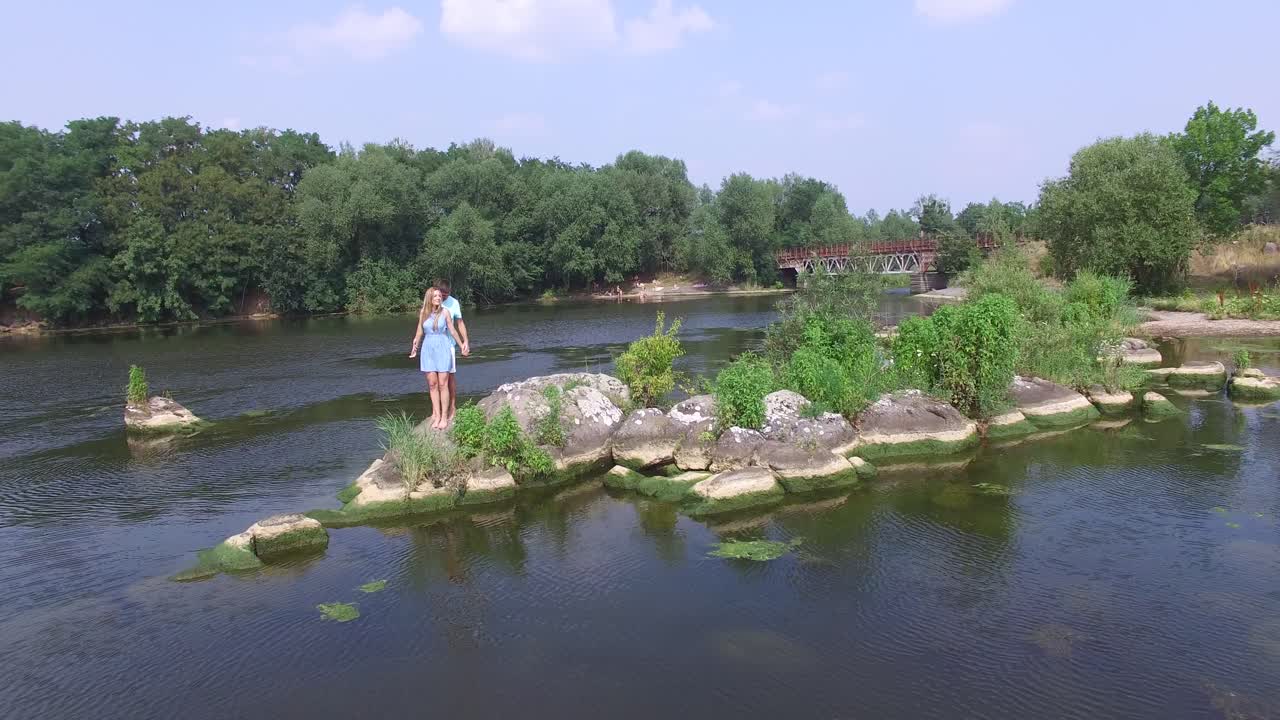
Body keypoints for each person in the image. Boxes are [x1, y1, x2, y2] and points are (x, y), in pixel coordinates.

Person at [410, 288, 465, 430]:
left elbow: (452, 330)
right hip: (428, 349)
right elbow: (419, 331)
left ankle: (444, 417)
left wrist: (462, 345)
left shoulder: (445, 312)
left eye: (440, 296)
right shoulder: (424, 312)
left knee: (443, 384)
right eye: (435, 296)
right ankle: (437, 415)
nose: (438, 298)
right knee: (432, 384)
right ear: (429, 297)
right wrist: (415, 344)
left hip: (442, 347)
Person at [434, 279, 470, 421]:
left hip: (449, 345)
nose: (444, 297)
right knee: (434, 380)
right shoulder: (432, 300)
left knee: (449, 378)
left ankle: (452, 407)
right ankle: (436, 411)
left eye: (447, 294)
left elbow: (460, 323)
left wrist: (465, 341)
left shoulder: (454, 303)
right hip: (434, 345)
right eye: (442, 294)